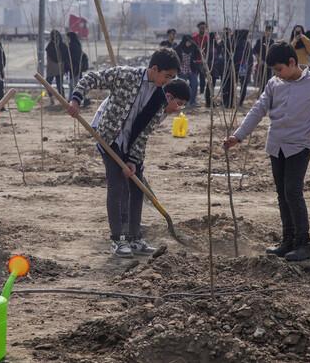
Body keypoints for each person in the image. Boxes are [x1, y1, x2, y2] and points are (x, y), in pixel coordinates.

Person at [223, 42, 310, 262]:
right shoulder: (273, 83)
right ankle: (287, 241)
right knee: (282, 194)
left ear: (292, 62)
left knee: (293, 192)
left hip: (299, 147)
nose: (278, 74)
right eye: (274, 71)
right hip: (276, 145)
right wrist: (238, 136)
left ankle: (304, 244)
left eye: (280, 69)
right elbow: (258, 110)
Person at [67, 48, 185, 257]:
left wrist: (132, 160)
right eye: (167, 76)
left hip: (131, 144)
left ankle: (134, 237)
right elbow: (92, 78)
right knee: (118, 187)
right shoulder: (125, 76)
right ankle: (118, 240)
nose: (168, 81)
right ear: (154, 69)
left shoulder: (159, 97)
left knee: (136, 187)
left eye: (172, 78)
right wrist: (76, 99)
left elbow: (144, 132)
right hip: (109, 137)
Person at [46, 29, 70, 103]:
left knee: (48, 83)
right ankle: (62, 100)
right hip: (59, 68)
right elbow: (66, 57)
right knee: (59, 84)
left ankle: (53, 98)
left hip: (52, 68)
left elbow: (50, 56)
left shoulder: (50, 46)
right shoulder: (62, 45)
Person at [175, 35, 199, 107]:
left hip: (191, 69)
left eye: (190, 42)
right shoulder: (178, 48)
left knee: (195, 84)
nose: (189, 43)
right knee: (183, 87)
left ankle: (192, 101)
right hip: (182, 70)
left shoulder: (193, 48)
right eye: (188, 42)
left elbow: (198, 54)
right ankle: (182, 102)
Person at [253, 25, 275, 92]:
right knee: (262, 80)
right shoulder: (260, 41)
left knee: (269, 80)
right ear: (265, 31)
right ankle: (261, 93)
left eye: (270, 32)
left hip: (269, 64)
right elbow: (254, 51)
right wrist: (259, 60)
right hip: (261, 64)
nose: (269, 33)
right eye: (268, 31)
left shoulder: (272, 41)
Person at [192, 22, 209, 97]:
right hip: (196, 62)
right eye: (201, 28)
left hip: (203, 62)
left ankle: (201, 93)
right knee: (194, 80)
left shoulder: (207, 38)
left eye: (204, 28)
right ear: (198, 28)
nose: (202, 29)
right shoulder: (194, 37)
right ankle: (193, 95)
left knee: (203, 79)